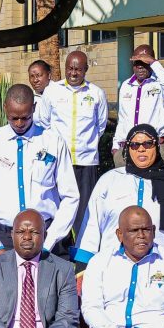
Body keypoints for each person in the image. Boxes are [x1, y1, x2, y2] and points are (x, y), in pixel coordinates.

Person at [0, 84, 79, 256]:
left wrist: (50, 241)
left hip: (46, 234)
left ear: (34, 108)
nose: (19, 123)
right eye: (14, 118)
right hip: (4, 237)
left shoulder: (53, 142)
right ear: (5, 108)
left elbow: (70, 196)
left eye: (25, 118)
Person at [73, 123, 164, 264]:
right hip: (114, 266)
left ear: (157, 147)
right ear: (127, 148)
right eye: (134, 145)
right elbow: (91, 225)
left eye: (148, 144)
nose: (141, 149)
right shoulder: (109, 180)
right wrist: (83, 265)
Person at [43, 50, 109, 240]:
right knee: (56, 208)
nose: (73, 73)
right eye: (69, 69)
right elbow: (43, 122)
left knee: (84, 211)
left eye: (78, 69)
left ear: (86, 70)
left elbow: (100, 125)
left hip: (85, 162)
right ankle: (58, 250)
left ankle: (82, 256)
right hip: (57, 163)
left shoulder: (96, 93)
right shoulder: (52, 91)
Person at [114, 44, 164, 167]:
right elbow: (122, 118)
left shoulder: (160, 84)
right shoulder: (126, 85)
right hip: (128, 148)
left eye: (145, 63)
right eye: (137, 63)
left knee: (155, 186)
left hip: (154, 146)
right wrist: (115, 147)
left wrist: (154, 63)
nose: (140, 67)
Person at [27, 59, 53, 127]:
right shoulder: (30, 98)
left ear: (49, 75)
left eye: (39, 75)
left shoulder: (59, 93)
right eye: (32, 76)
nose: (35, 80)